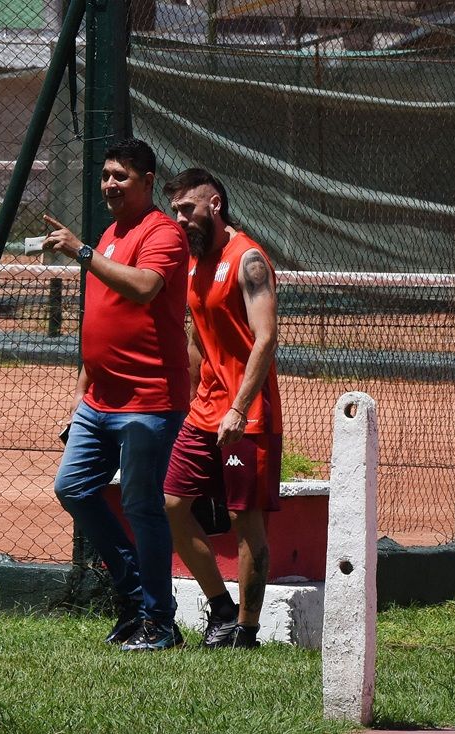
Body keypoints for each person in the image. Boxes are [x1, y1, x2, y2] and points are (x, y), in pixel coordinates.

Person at [42, 138, 190, 652]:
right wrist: (81, 394)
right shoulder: (109, 233)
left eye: (120, 176)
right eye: (105, 175)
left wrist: (79, 250)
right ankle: (132, 599)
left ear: (147, 181)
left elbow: (145, 288)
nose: (109, 184)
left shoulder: (163, 233)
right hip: (98, 401)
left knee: (141, 505)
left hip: (149, 401)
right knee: (74, 488)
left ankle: (159, 621)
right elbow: (100, 320)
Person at [161, 168, 282, 649]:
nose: (179, 218)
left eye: (186, 208)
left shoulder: (248, 259)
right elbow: (197, 335)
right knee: (172, 504)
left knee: (244, 521)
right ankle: (221, 609)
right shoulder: (193, 263)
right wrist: (192, 396)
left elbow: (266, 337)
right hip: (204, 410)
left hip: (246, 414)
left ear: (214, 205)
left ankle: (247, 633)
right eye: (174, 210)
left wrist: (238, 406)